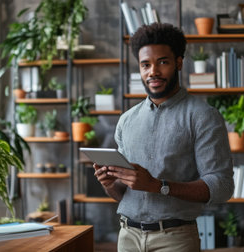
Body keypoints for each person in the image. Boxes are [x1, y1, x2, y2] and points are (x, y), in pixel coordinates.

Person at [93, 23, 234, 252]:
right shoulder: (127, 120)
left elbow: (222, 186)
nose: (153, 72)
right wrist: (110, 184)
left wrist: (160, 186)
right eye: (145, 65)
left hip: (175, 239)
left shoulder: (203, 117)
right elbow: (124, 195)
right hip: (127, 237)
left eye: (163, 62)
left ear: (179, 62)